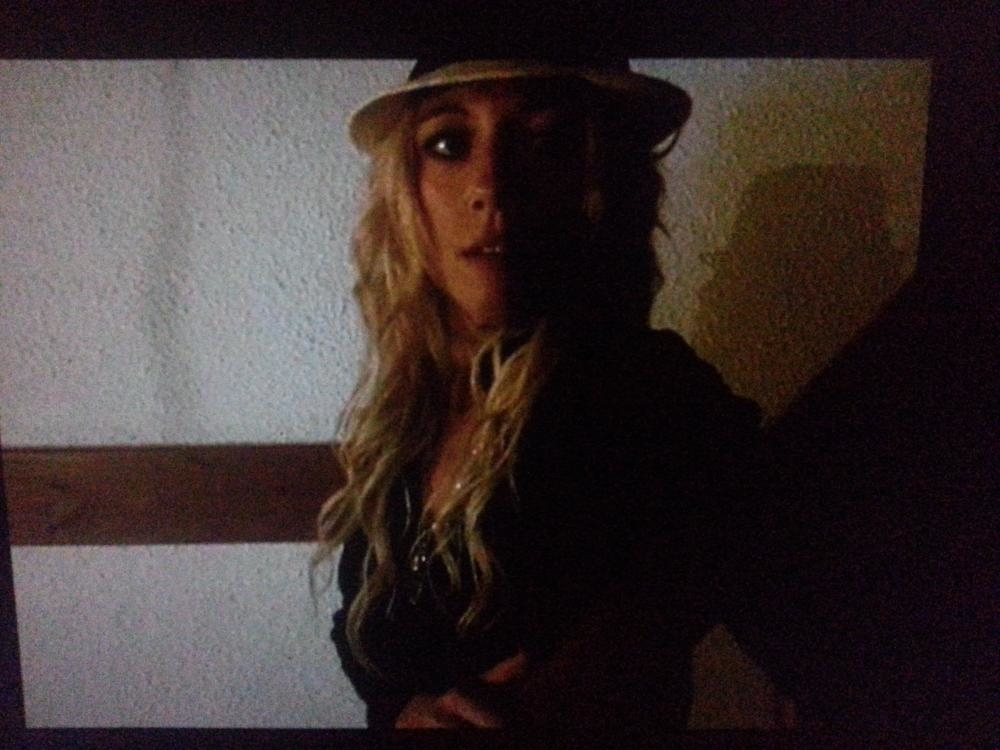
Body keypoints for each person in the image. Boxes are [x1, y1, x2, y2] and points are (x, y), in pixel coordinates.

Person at [312, 57, 761, 731]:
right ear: (404, 189)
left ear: (602, 181)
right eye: (449, 143)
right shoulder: (407, 412)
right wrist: (404, 710)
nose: (491, 185)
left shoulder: (654, 397)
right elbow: (365, 637)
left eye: (547, 141)